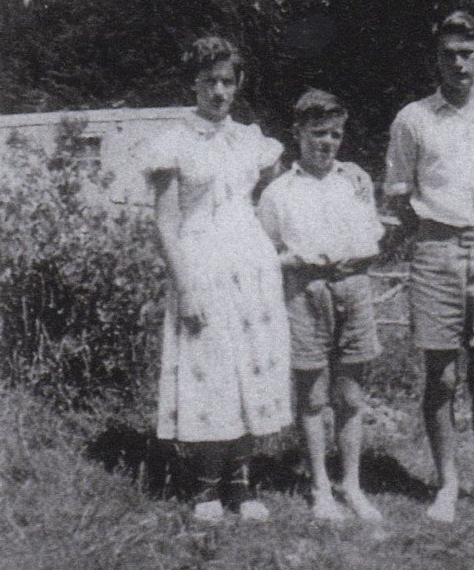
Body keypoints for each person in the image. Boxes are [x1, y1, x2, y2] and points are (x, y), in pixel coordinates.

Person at [142, 36, 291, 523]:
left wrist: (349, 171)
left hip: (250, 264)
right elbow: (165, 221)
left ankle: (243, 484)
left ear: (239, 84)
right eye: (210, 81)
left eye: (228, 81)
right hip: (200, 262)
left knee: (248, 367)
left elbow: (286, 190)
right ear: (194, 83)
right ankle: (206, 487)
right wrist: (185, 286)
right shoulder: (174, 140)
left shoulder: (252, 139)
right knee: (210, 366)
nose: (219, 91)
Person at [384, 11, 474, 526]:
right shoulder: (414, 118)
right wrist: (429, 235)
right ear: (436, 59)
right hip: (436, 251)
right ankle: (447, 484)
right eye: (449, 54)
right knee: (441, 377)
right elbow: (398, 191)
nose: (459, 63)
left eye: (467, 53)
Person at [258, 90, 385, 523]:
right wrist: (292, 261)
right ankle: (319, 487)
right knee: (312, 396)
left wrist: (357, 259)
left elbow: (372, 240)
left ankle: (351, 483)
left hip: (352, 287)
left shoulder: (355, 182)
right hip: (304, 291)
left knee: (350, 394)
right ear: (297, 134)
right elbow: (264, 253)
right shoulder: (278, 192)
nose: (326, 142)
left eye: (334, 134)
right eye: (317, 133)